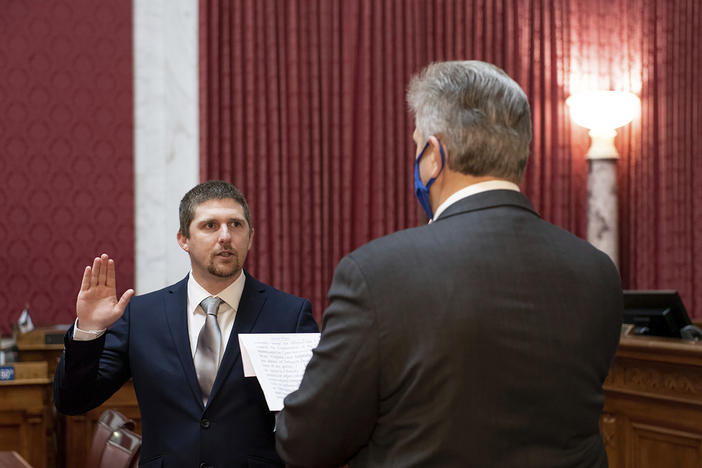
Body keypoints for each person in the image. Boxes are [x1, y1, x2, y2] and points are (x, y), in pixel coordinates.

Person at [275, 61, 622, 467]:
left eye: (417, 145)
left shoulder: (376, 273)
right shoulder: (598, 272)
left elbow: (304, 444)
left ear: (434, 155)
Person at [54, 180, 318, 468]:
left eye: (236, 225)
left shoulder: (288, 314)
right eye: (210, 226)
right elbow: (73, 401)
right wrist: (89, 331)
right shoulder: (142, 316)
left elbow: (316, 412)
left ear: (251, 237)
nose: (226, 236)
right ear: (183, 239)